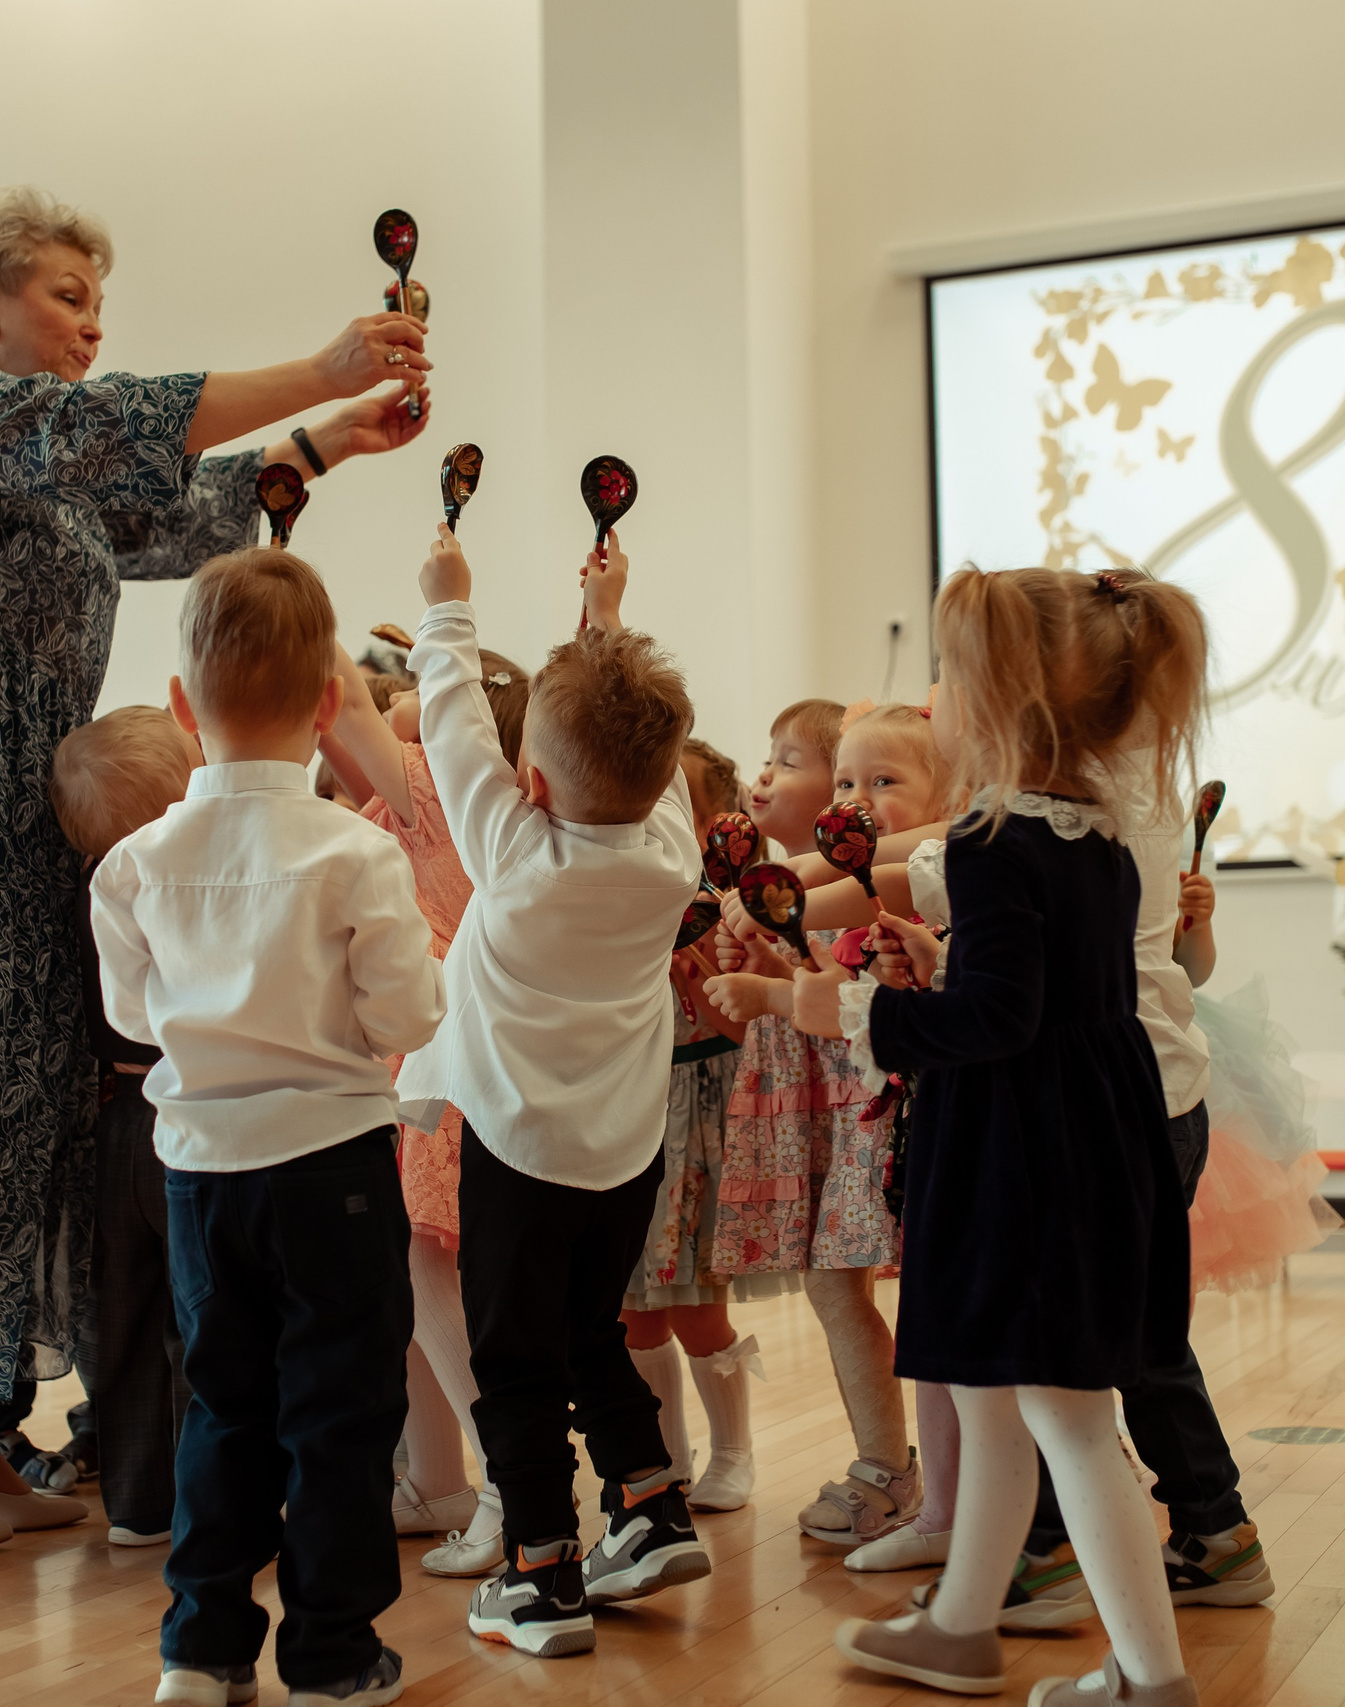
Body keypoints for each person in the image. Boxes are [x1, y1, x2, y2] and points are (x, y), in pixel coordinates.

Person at [0, 184, 433, 1563]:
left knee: (11, 1109)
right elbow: (103, 433)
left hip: (5, 812)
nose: (91, 324)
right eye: (65, 296)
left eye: (98, 303)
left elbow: (172, 513)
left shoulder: (40, 475)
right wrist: (322, 369)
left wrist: (327, 440)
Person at [804, 565, 1211, 1707]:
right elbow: (1031, 999)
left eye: (953, 679)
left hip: (1024, 1163)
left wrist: (836, 1008)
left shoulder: (990, 844)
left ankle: (1150, 1677)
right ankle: (960, 1625)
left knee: (1069, 1422)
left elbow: (994, 1023)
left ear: (1005, 704)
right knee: (991, 1401)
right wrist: (939, 967)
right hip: (1067, 1140)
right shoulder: (1090, 837)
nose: (940, 699)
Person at [91, 548, 443, 1707]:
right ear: (330, 705)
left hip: (197, 1174)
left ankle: (201, 1651)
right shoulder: (355, 851)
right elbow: (406, 1012)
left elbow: (134, 1015)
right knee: (340, 1409)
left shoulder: (135, 863)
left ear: (183, 709)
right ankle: (333, 1657)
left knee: (225, 1404)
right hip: (332, 1167)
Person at [394, 527, 707, 1658]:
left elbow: (451, 720)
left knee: (514, 1360)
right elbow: (627, 751)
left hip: (521, 1157)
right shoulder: (675, 856)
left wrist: (447, 605)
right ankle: (645, 1500)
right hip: (624, 1154)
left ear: (527, 784)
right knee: (586, 1331)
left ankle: (537, 1574)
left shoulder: (512, 858)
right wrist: (608, 619)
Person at [316, 637, 536, 1576]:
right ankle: (442, 1481)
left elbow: (345, 715)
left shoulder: (439, 794)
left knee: (429, 1276)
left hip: (432, 1068)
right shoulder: (491, 812)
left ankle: (509, 1488)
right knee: (418, 1282)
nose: (399, 701)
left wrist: (288, 585)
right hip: (444, 1065)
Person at [706, 699, 919, 1548]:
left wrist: (769, 985)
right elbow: (784, 1004)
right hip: (832, 1120)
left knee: (930, 1300)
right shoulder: (790, 894)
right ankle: (889, 1465)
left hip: (884, 1117)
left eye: (882, 781)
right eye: (838, 780)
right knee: (834, 1288)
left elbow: (851, 1005)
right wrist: (761, 963)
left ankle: (954, 1473)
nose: (853, 801)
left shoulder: (897, 888)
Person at [50, 705, 202, 1548]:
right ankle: (198, 1492)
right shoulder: (182, 882)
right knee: (194, 1316)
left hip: (114, 1119)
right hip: (185, 1113)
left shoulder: (87, 884)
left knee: (124, 1315)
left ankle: (136, 1503)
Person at [621, 737, 764, 1514]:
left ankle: (734, 1451)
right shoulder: (632, 891)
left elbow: (744, 1029)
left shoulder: (729, 908)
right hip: (635, 1106)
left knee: (697, 1303)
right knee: (635, 1308)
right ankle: (664, 1460)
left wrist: (702, 982)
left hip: (702, 1113)